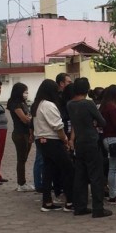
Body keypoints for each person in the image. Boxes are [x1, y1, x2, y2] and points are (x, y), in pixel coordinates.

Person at [67, 77, 111, 218]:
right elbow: (102, 122)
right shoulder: (89, 104)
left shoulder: (70, 104)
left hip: (79, 142)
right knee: (96, 176)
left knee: (80, 175)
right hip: (92, 142)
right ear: (87, 89)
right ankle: (98, 208)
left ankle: (80, 206)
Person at [32, 79, 74, 212]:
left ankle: (47, 202)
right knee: (68, 169)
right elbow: (57, 126)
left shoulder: (37, 105)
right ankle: (70, 202)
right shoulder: (49, 105)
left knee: (48, 170)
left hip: (41, 140)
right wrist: (65, 140)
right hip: (52, 140)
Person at [100, 85, 116, 204]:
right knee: (114, 168)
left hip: (109, 138)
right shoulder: (113, 108)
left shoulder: (105, 106)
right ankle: (113, 195)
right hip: (114, 139)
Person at [6, 82, 34, 191]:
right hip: (20, 134)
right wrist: (29, 118)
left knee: (24, 158)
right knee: (21, 159)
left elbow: (29, 117)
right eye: (24, 92)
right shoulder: (15, 104)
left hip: (27, 133)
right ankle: (21, 183)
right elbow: (24, 119)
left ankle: (22, 183)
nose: (26, 94)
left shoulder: (23, 103)